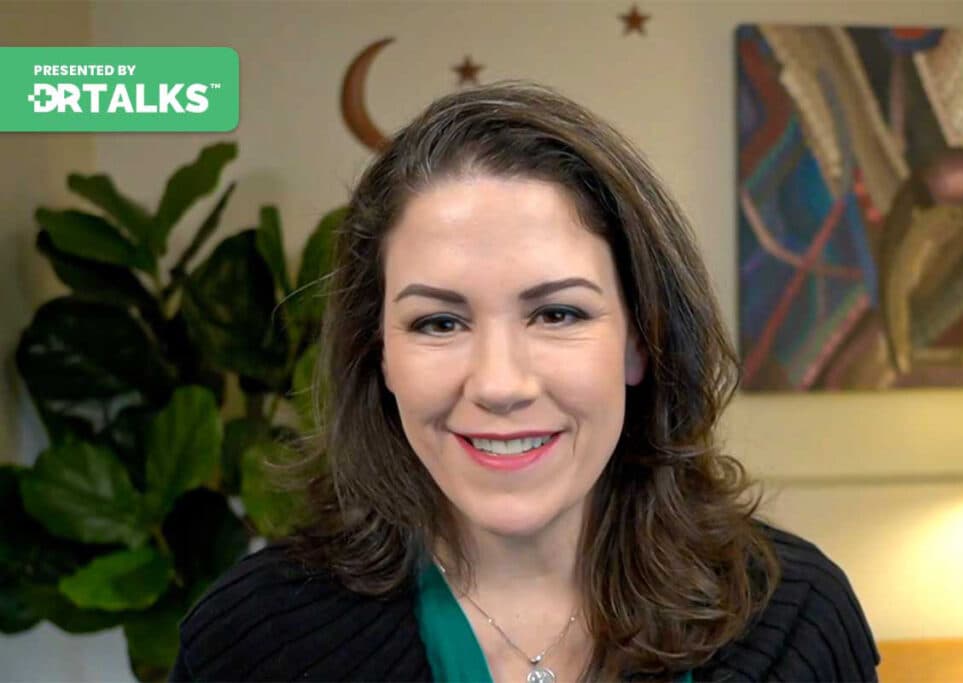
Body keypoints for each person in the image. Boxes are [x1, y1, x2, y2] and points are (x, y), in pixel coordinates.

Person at [170, 81, 879, 682]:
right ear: (378, 353)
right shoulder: (250, 642)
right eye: (439, 322)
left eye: (558, 313)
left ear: (640, 341)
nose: (499, 384)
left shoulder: (795, 620)